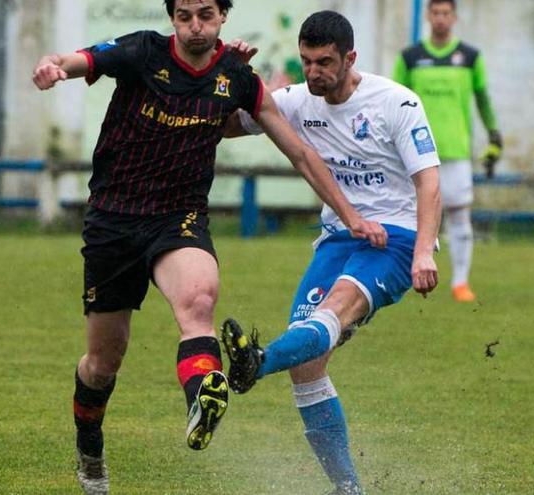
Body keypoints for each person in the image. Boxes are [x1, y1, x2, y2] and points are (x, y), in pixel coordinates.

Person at [31, 1, 381, 493]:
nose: (196, 25)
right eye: (186, 15)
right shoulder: (141, 52)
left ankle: (202, 401)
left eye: (206, 14)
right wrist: (54, 67)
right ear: (172, 19)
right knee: (102, 363)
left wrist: (351, 216)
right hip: (114, 219)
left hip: (179, 218)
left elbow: (300, 153)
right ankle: (90, 446)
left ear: (222, 17)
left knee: (198, 302)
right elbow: (80, 61)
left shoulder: (237, 78)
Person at [221, 11, 441, 495]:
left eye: (324, 62)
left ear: (350, 58)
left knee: (335, 310)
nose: (313, 72)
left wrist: (424, 252)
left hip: (397, 238)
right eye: (306, 62)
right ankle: (348, 488)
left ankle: (255, 361)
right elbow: (225, 126)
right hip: (338, 236)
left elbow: (428, 182)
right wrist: (227, 74)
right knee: (307, 364)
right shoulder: (299, 100)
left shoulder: (395, 103)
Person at [392, 0, 502, 303]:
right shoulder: (411, 57)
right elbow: (392, 102)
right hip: (414, 152)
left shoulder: (469, 57)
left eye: (446, 14)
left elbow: (483, 100)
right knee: (412, 216)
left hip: (455, 150)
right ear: (428, 16)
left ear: (454, 17)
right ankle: (412, 273)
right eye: (435, 13)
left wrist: (494, 135)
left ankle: (460, 282)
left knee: (458, 214)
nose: (440, 19)